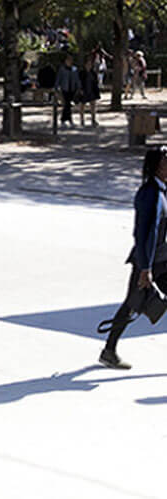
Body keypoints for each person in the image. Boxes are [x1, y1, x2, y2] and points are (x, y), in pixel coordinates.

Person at [99, 147, 167, 369]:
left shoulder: (163, 191)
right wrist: (145, 268)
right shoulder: (151, 194)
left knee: (132, 304)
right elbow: (144, 232)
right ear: (158, 165)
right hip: (147, 262)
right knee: (131, 305)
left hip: (162, 260)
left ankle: (108, 351)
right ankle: (109, 351)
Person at [55, 55, 81, 127]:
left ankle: (65, 119)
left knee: (68, 105)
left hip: (72, 89)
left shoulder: (74, 69)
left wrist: (79, 87)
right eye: (68, 60)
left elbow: (77, 79)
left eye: (70, 60)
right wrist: (56, 88)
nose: (70, 61)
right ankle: (67, 120)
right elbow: (59, 79)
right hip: (65, 89)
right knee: (67, 104)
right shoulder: (62, 69)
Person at [78, 56, 101, 127]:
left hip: (91, 90)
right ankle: (82, 120)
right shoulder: (81, 73)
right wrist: (80, 89)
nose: (89, 65)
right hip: (84, 90)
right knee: (82, 106)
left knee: (93, 105)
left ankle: (93, 120)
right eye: (88, 64)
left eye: (90, 64)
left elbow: (96, 82)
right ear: (85, 65)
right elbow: (79, 82)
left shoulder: (93, 73)